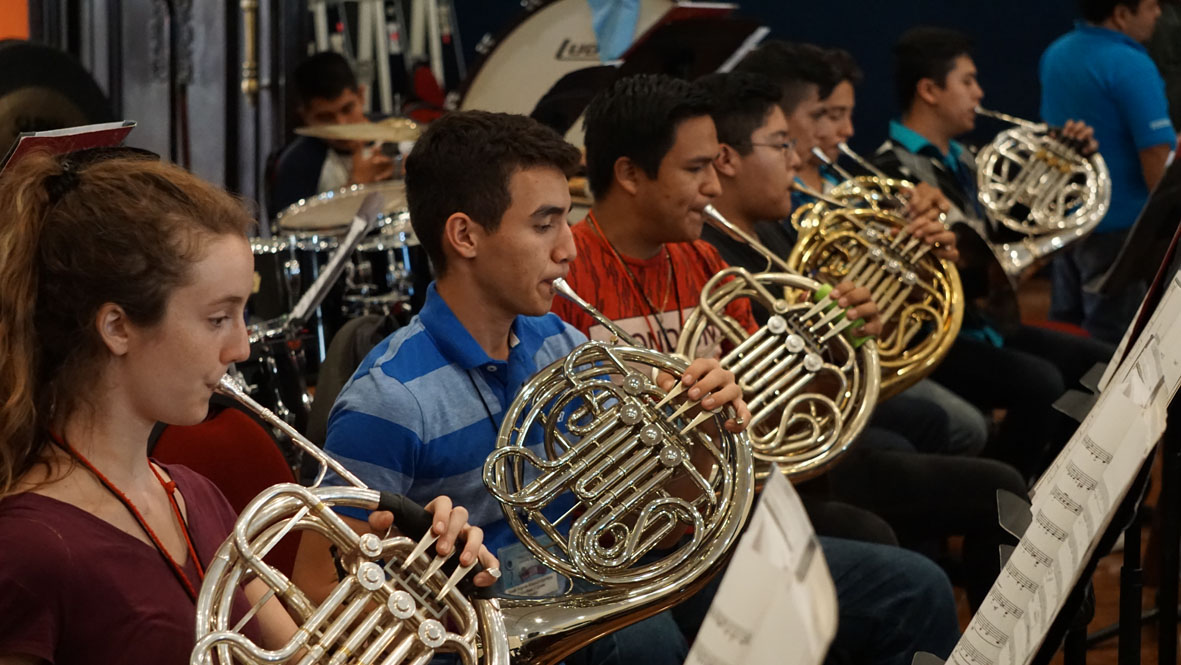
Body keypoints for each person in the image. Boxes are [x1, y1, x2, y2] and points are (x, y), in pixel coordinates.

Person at [0, 147, 493, 664]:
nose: (241, 348)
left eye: (242, 316)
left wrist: (423, 590)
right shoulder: (30, 546)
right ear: (118, 327)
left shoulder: (196, 496)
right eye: (218, 318)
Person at [295, 109, 751, 665]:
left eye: (566, 222)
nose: (570, 248)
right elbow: (317, 590)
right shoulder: (390, 399)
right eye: (544, 224)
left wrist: (698, 429)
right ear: (465, 235)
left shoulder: (559, 343)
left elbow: (643, 510)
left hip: (575, 613)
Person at [557, 72, 961, 665]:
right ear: (629, 174)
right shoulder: (568, 280)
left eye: (715, 165)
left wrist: (836, 348)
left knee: (918, 588)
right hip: (634, 551)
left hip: (725, 526)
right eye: (695, 168)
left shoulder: (701, 261)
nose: (715, 183)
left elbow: (772, 420)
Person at [873, 26, 1116, 481]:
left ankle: (1054, 483)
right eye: (967, 81)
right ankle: (1001, 497)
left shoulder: (966, 160)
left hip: (988, 325)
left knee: (1103, 365)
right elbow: (925, 273)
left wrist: (1061, 161)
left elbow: (1005, 233)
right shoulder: (890, 171)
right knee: (1039, 382)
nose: (979, 93)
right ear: (929, 90)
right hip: (939, 337)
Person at [734, 40, 989, 459]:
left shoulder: (847, 195)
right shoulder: (775, 210)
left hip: (859, 362)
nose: (845, 131)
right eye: (825, 115)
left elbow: (889, 319)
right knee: (958, 426)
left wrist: (922, 267)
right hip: (818, 381)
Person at [1041, 0, 1176, 343]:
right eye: (1149, 5)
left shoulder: (1056, 53)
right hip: (1121, 240)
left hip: (1066, 230)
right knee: (1115, 350)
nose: (1158, 13)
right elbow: (1156, 156)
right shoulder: (1131, 63)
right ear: (1120, 13)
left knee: (1068, 341)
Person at [268, 51, 398, 216]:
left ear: (361, 95)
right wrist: (356, 186)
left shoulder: (400, 135)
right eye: (325, 117)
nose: (341, 124)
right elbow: (294, 232)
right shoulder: (296, 165)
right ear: (306, 117)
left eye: (347, 109)